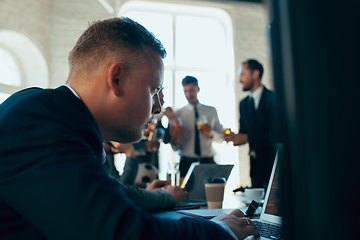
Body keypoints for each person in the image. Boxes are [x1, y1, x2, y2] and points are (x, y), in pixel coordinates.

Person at [0, 17, 259, 239]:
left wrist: (165, 197)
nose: (158, 108)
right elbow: (123, 232)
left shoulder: (51, 112)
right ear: (117, 79)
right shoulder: (38, 122)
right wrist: (220, 232)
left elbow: (115, 191)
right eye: (154, 90)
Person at [224, 59, 277, 189]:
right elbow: (244, 132)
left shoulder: (273, 99)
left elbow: (276, 136)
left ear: (255, 74)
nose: (240, 79)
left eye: (243, 74)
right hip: (254, 167)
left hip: (274, 165)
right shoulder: (243, 104)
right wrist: (234, 137)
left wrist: (247, 138)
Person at [170, 76, 224, 178]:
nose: (188, 94)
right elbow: (175, 147)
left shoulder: (211, 111)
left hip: (208, 161)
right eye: (185, 91)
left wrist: (211, 133)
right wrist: (175, 136)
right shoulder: (178, 114)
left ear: (198, 89)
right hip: (186, 163)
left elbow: (221, 139)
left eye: (191, 90)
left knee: (212, 193)